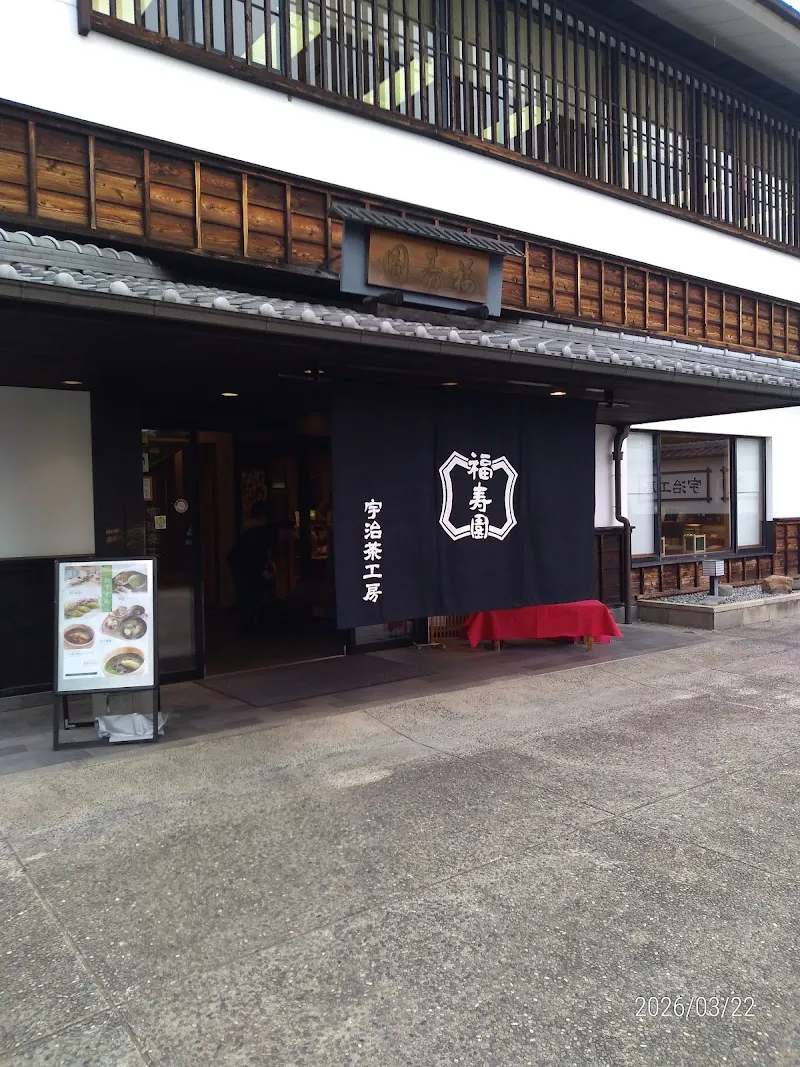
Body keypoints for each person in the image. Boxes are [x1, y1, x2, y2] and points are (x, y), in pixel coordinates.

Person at [226, 502, 277, 635]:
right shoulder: (261, 533)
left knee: (245, 597)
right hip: (248, 568)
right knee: (252, 596)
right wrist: (263, 571)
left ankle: (247, 626)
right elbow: (257, 555)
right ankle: (250, 626)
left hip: (241, 567)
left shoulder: (248, 530)